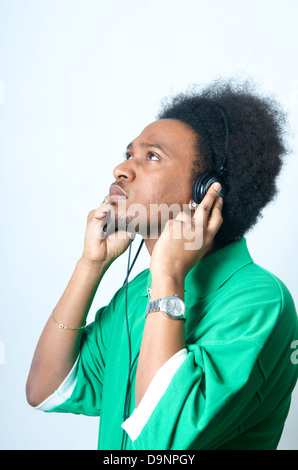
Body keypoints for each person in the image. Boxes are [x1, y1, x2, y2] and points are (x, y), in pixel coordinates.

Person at [26, 78, 298, 450]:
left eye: (151, 156)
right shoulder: (138, 293)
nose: (121, 169)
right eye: (128, 153)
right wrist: (91, 264)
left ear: (205, 190)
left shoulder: (260, 301)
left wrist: (168, 274)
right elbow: (45, 390)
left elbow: (162, 443)